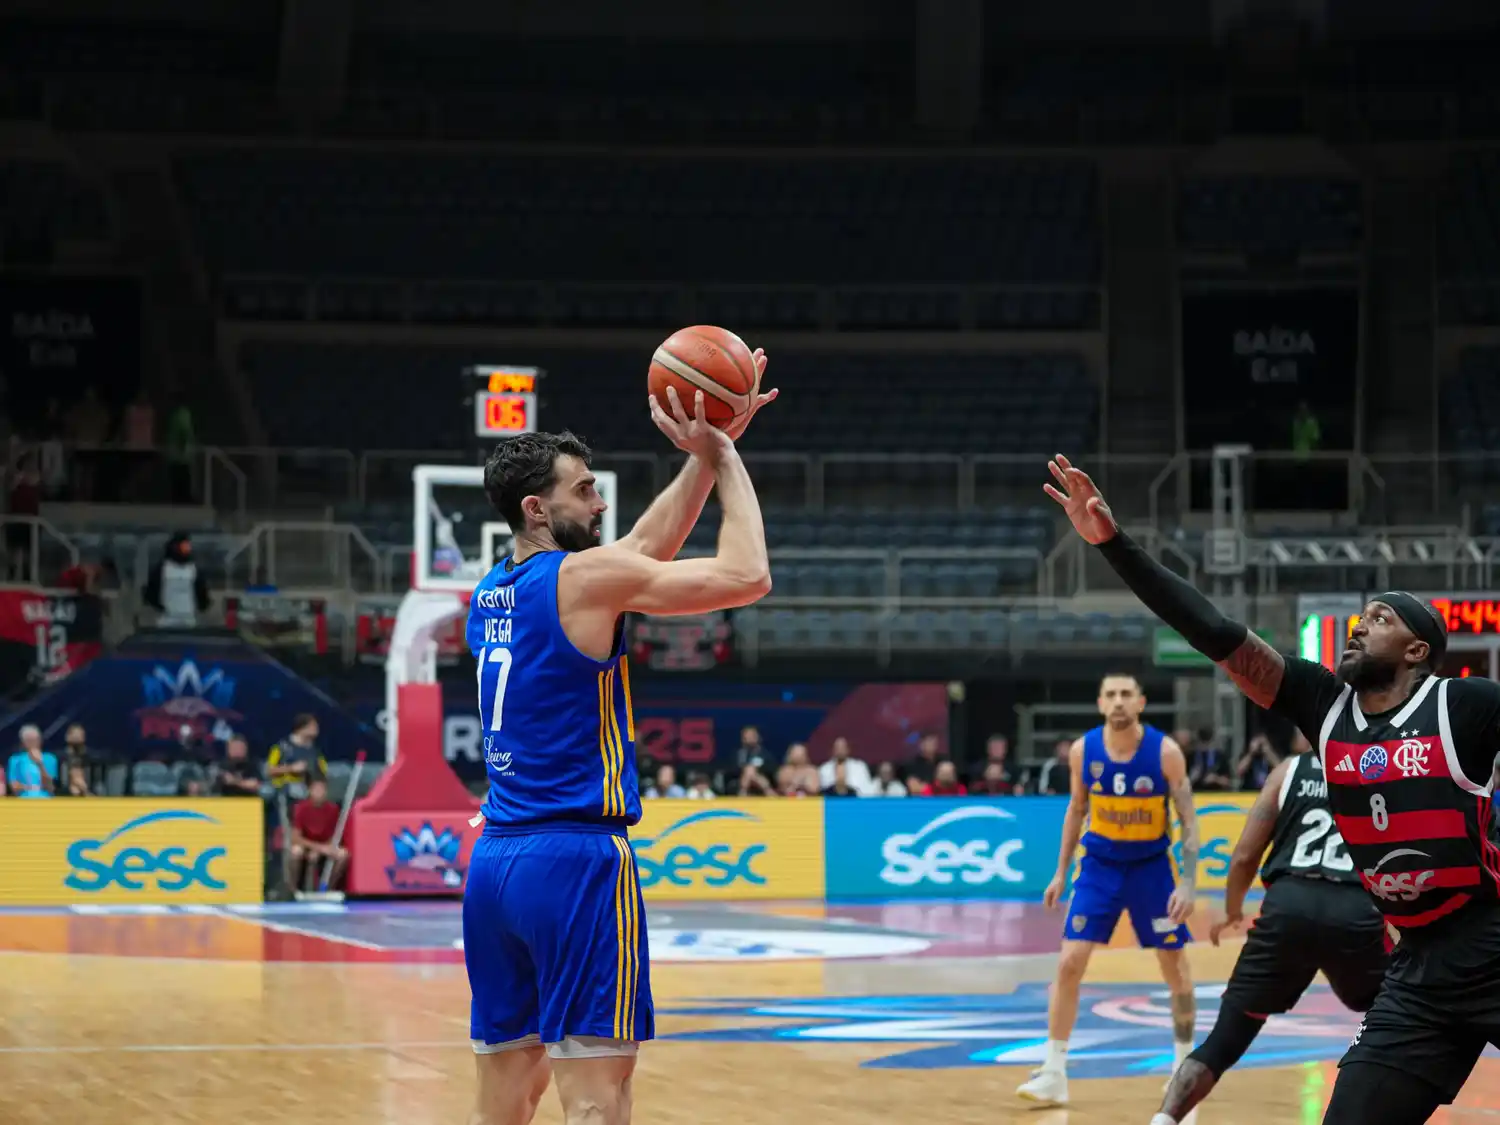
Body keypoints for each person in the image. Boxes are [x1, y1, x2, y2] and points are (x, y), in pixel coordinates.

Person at [1043, 452, 1500, 1125]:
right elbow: (1212, 630)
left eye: (1380, 618)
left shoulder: (1464, 706)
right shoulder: (1323, 704)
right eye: (1361, 615)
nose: (1359, 624)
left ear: (1417, 650)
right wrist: (1113, 543)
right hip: (1418, 967)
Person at [464, 365, 776, 1125]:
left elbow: (642, 545)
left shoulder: (492, 590)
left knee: (502, 1106)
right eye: (584, 490)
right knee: (598, 1102)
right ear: (537, 508)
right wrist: (727, 455)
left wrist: (701, 455)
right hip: (574, 862)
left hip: (495, 865)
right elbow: (748, 575)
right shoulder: (582, 580)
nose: (600, 502)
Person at [1152, 748, 1388, 1125]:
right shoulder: (1387, 768)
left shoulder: (1289, 771)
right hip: (1354, 911)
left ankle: (1164, 1119)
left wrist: (1232, 911)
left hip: (1287, 909)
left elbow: (1245, 856)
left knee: (1222, 1042)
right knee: (1399, 1013)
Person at [1017, 673, 1198, 1108]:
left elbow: (1188, 821)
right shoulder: (1084, 751)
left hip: (1151, 868)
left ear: (1141, 702)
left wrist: (1189, 882)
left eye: (1126, 695)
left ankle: (1184, 1068)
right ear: (1100, 703)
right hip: (1099, 867)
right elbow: (1076, 809)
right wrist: (1060, 873)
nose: (1118, 701)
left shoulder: (1166, 753)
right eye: (1111, 695)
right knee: (1069, 963)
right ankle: (1054, 1072)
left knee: (1175, 966)